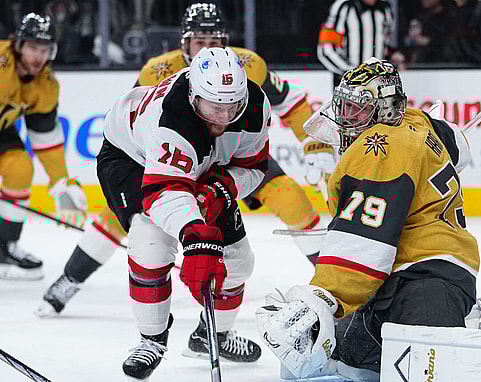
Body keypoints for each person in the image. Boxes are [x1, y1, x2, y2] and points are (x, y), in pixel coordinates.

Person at [36, 2, 326, 317]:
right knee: (128, 215)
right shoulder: (157, 70)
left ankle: (328, 283)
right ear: (185, 43)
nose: (207, 48)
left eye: (214, 42)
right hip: (179, 158)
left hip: (232, 155)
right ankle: (70, 278)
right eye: (200, 42)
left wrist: (314, 144)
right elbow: (138, 126)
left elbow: (292, 103)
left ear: (225, 43)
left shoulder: (247, 65)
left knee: (291, 197)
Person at [256, 58, 480, 379]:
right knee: (347, 358)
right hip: (404, 278)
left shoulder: (380, 147)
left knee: (430, 374)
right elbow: (459, 147)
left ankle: (468, 329)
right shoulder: (419, 122)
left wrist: (323, 297)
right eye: (344, 107)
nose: (347, 118)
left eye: (358, 109)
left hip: (427, 280)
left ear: (386, 109)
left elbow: (362, 243)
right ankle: (455, 320)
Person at [98, 47, 267, 382]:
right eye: (213, 107)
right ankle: (151, 339)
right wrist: (196, 238)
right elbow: (164, 191)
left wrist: (221, 188)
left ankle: (212, 334)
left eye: (230, 107)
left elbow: (254, 166)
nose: (222, 117)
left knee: (237, 262)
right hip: (132, 157)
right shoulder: (170, 118)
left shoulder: (253, 106)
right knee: (150, 241)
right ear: (193, 94)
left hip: (204, 166)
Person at [0, 12, 87, 280]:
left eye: (44, 49)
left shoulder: (45, 84)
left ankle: (5, 247)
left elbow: (45, 139)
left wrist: (61, 182)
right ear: (19, 45)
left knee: (20, 168)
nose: (38, 56)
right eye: (33, 48)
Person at [317, 0, 405, 87]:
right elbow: (326, 49)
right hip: (348, 87)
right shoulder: (344, 6)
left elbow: (383, 45)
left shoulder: (385, 8)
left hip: (378, 85)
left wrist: (392, 55)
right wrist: (352, 74)